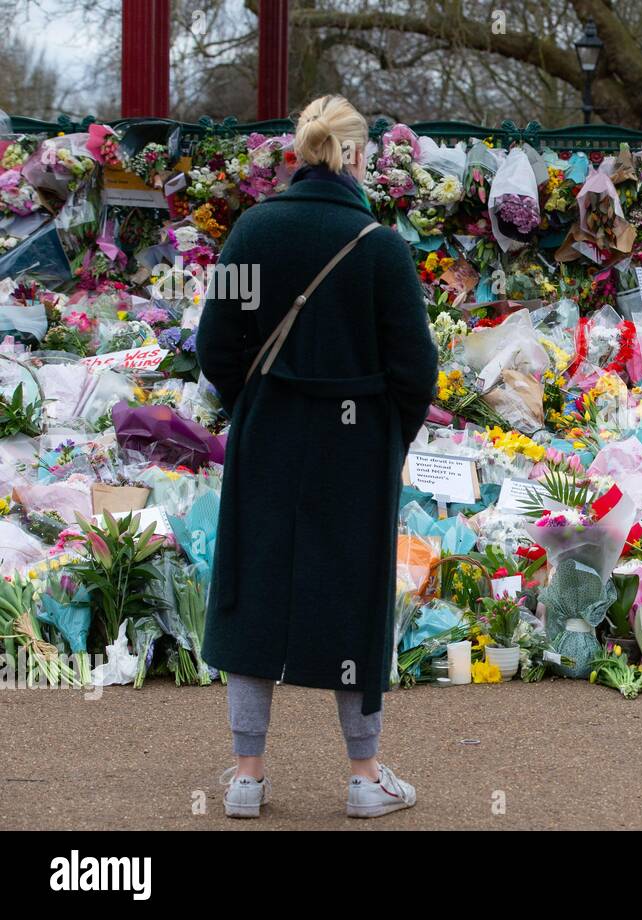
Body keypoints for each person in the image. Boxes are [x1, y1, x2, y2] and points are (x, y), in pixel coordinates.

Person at [196, 95, 437, 819]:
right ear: (360, 157)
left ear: (297, 153)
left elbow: (215, 345)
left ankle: (247, 776)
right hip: (356, 441)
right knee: (352, 594)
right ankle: (364, 777)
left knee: (253, 585)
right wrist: (386, 434)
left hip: (268, 433)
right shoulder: (383, 246)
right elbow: (415, 367)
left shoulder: (250, 232)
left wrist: (257, 407)